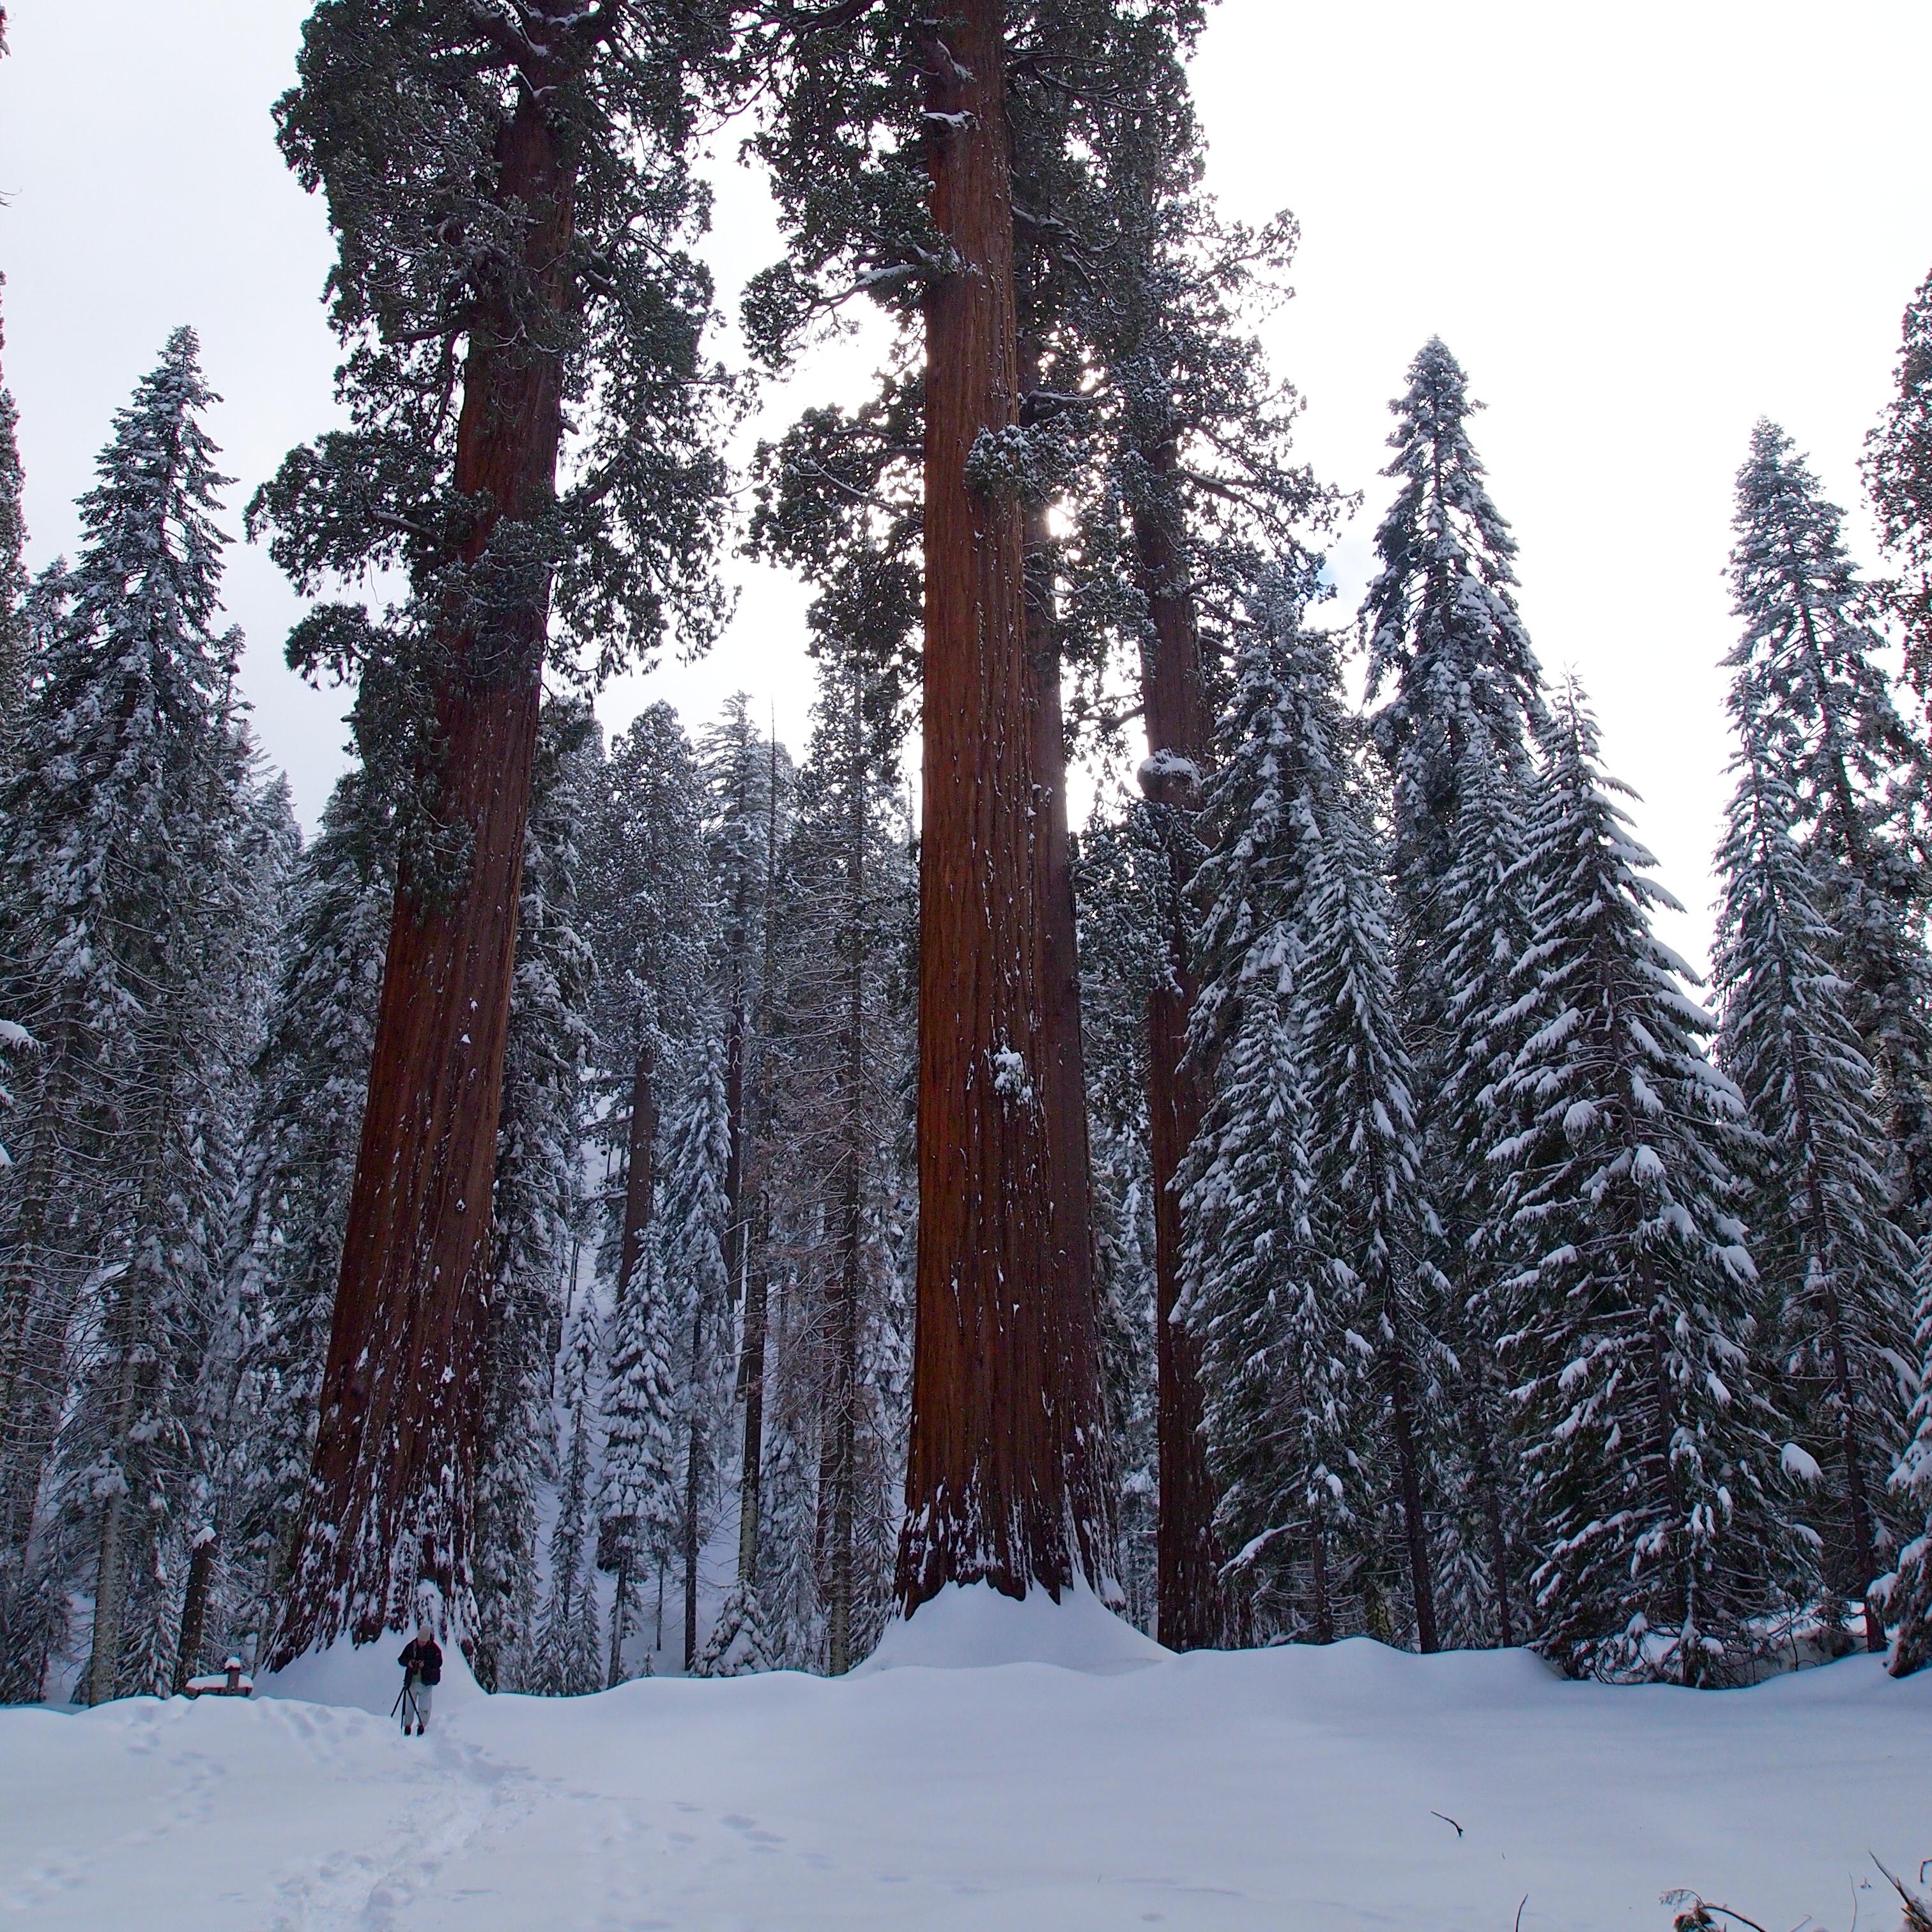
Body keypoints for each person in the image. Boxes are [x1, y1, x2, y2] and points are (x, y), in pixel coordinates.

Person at [397, 1623, 442, 1735]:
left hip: (426, 1683)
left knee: (425, 1706)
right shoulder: (411, 1646)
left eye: (423, 1642)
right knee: (409, 1706)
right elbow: (401, 1659)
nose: (421, 1644)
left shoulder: (435, 1650)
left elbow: (438, 1663)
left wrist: (425, 1665)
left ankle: (422, 1726)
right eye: (419, 1641)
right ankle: (407, 1726)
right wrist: (409, 1663)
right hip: (411, 1682)